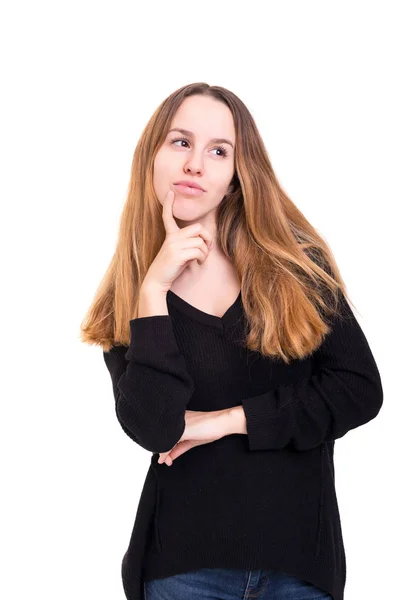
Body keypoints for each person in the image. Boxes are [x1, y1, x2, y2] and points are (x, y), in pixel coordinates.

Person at [80, 82, 384, 600]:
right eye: (180, 142)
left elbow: (359, 390)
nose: (196, 163)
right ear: (151, 157)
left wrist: (228, 422)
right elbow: (154, 429)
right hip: (181, 570)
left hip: (298, 568)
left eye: (218, 151)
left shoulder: (295, 264)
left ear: (236, 177)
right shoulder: (132, 294)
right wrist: (155, 289)